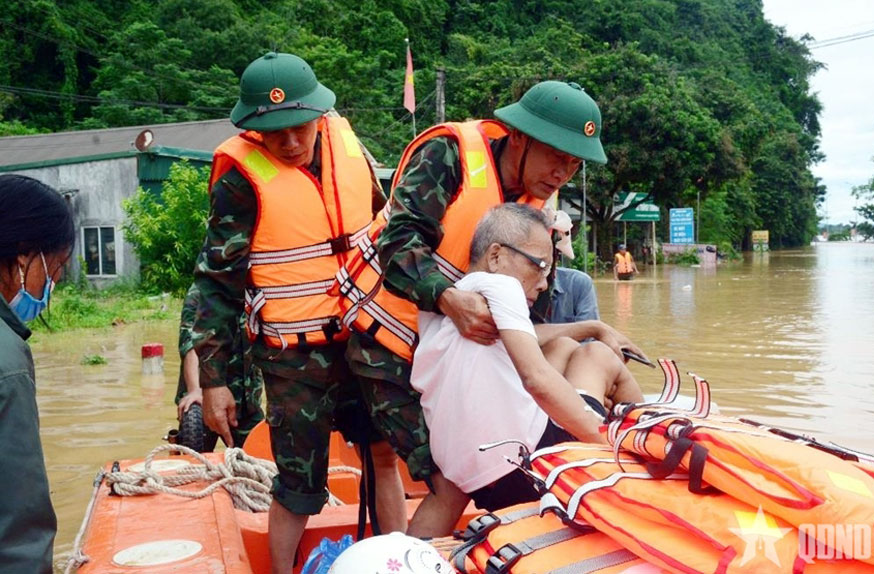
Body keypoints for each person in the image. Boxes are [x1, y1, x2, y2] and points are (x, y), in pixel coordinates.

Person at [335, 80, 647, 536]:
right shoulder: (450, 155)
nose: (563, 171)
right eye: (556, 155)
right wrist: (448, 298)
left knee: (454, 484)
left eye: (574, 163)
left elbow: (529, 323)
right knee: (443, 481)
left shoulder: (531, 210)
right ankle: (403, 562)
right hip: (387, 341)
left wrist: (590, 327)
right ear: (518, 136)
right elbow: (397, 244)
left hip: (452, 350)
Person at [190, 52, 405, 574]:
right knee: (297, 484)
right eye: (273, 132)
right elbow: (216, 285)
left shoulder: (347, 147)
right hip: (293, 360)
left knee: (383, 456)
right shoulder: (239, 179)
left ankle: (403, 561)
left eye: (298, 127)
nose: (288, 142)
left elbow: (387, 230)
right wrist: (213, 382)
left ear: (319, 116)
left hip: (364, 339)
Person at [411, 204, 643, 517]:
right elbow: (536, 380)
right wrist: (609, 438)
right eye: (539, 266)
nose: (544, 283)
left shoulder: (447, 303)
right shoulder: (503, 286)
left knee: (562, 346)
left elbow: (533, 340)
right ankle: (648, 443)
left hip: (470, 476)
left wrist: (593, 327)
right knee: (597, 355)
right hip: (527, 467)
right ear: (496, 256)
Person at [0, 174, 75, 573]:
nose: (54, 283)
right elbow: (19, 530)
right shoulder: (7, 362)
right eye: (56, 266)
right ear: (23, 257)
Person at [174, 282, 263, 450]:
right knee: (197, 466)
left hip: (246, 403)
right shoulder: (204, 290)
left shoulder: (258, 289)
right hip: (205, 398)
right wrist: (195, 390)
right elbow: (191, 343)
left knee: (257, 462)